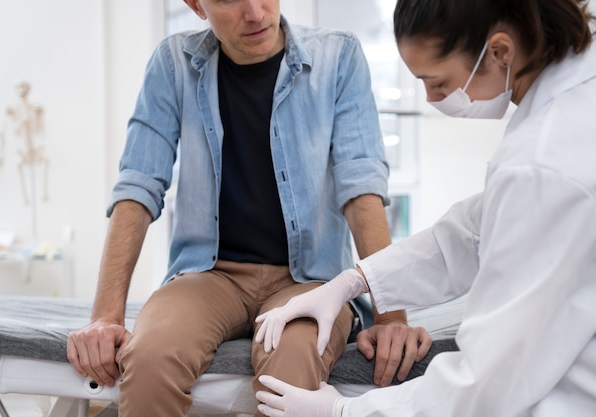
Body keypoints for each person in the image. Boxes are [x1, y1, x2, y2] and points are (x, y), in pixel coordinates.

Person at [66, 0, 434, 416]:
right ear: (195, 5)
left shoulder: (338, 57)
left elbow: (361, 188)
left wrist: (390, 320)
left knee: (291, 372)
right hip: (209, 275)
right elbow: (138, 185)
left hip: (310, 282)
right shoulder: (172, 64)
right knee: (150, 356)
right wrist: (105, 317)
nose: (256, 13)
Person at [255, 0, 596, 416]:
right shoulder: (566, 108)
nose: (432, 98)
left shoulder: (545, 160)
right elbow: (475, 231)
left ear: (500, 51)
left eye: (437, 82)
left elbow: (485, 381)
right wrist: (355, 280)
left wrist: (346, 411)